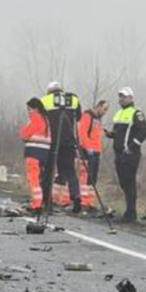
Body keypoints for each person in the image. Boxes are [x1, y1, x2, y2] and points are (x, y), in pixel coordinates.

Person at [39, 81, 82, 214]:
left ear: (49, 91)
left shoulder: (44, 101)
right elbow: (78, 117)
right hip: (69, 141)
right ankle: (76, 197)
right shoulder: (73, 99)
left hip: (52, 141)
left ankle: (47, 202)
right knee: (70, 170)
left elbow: (41, 120)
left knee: (48, 171)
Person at [107, 87, 146, 223]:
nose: (121, 99)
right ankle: (129, 211)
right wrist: (111, 135)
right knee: (123, 183)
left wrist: (131, 146)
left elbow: (144, 132)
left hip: (130, 154)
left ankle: (131, 213)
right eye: (120, 96)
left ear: (131, 98)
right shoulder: (118, 113)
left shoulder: (136, 113)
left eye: (124, 97)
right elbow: (119, 133)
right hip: (118, 153)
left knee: (129, 183)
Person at [19, 97, 52, 211]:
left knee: (33, 178)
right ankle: (40, 202)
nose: (28, 112)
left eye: (29, 109)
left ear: (36, 108)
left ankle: (36, 204)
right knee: (40, 178)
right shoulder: (47, 119)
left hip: (34, 152)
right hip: (45, 153)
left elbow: (24, 134)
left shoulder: (36, 118)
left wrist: (24, 135)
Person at [78, 100, 109, 185]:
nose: (105, 112)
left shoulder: (98, 119)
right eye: (104, 109)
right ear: (98, 106)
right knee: (86, 177)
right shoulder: (88, 115)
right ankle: (84, 196)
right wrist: (87, 147)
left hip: (96, 151)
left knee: (93, 178)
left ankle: (89, 196)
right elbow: (82, 133)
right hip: (87, 151)